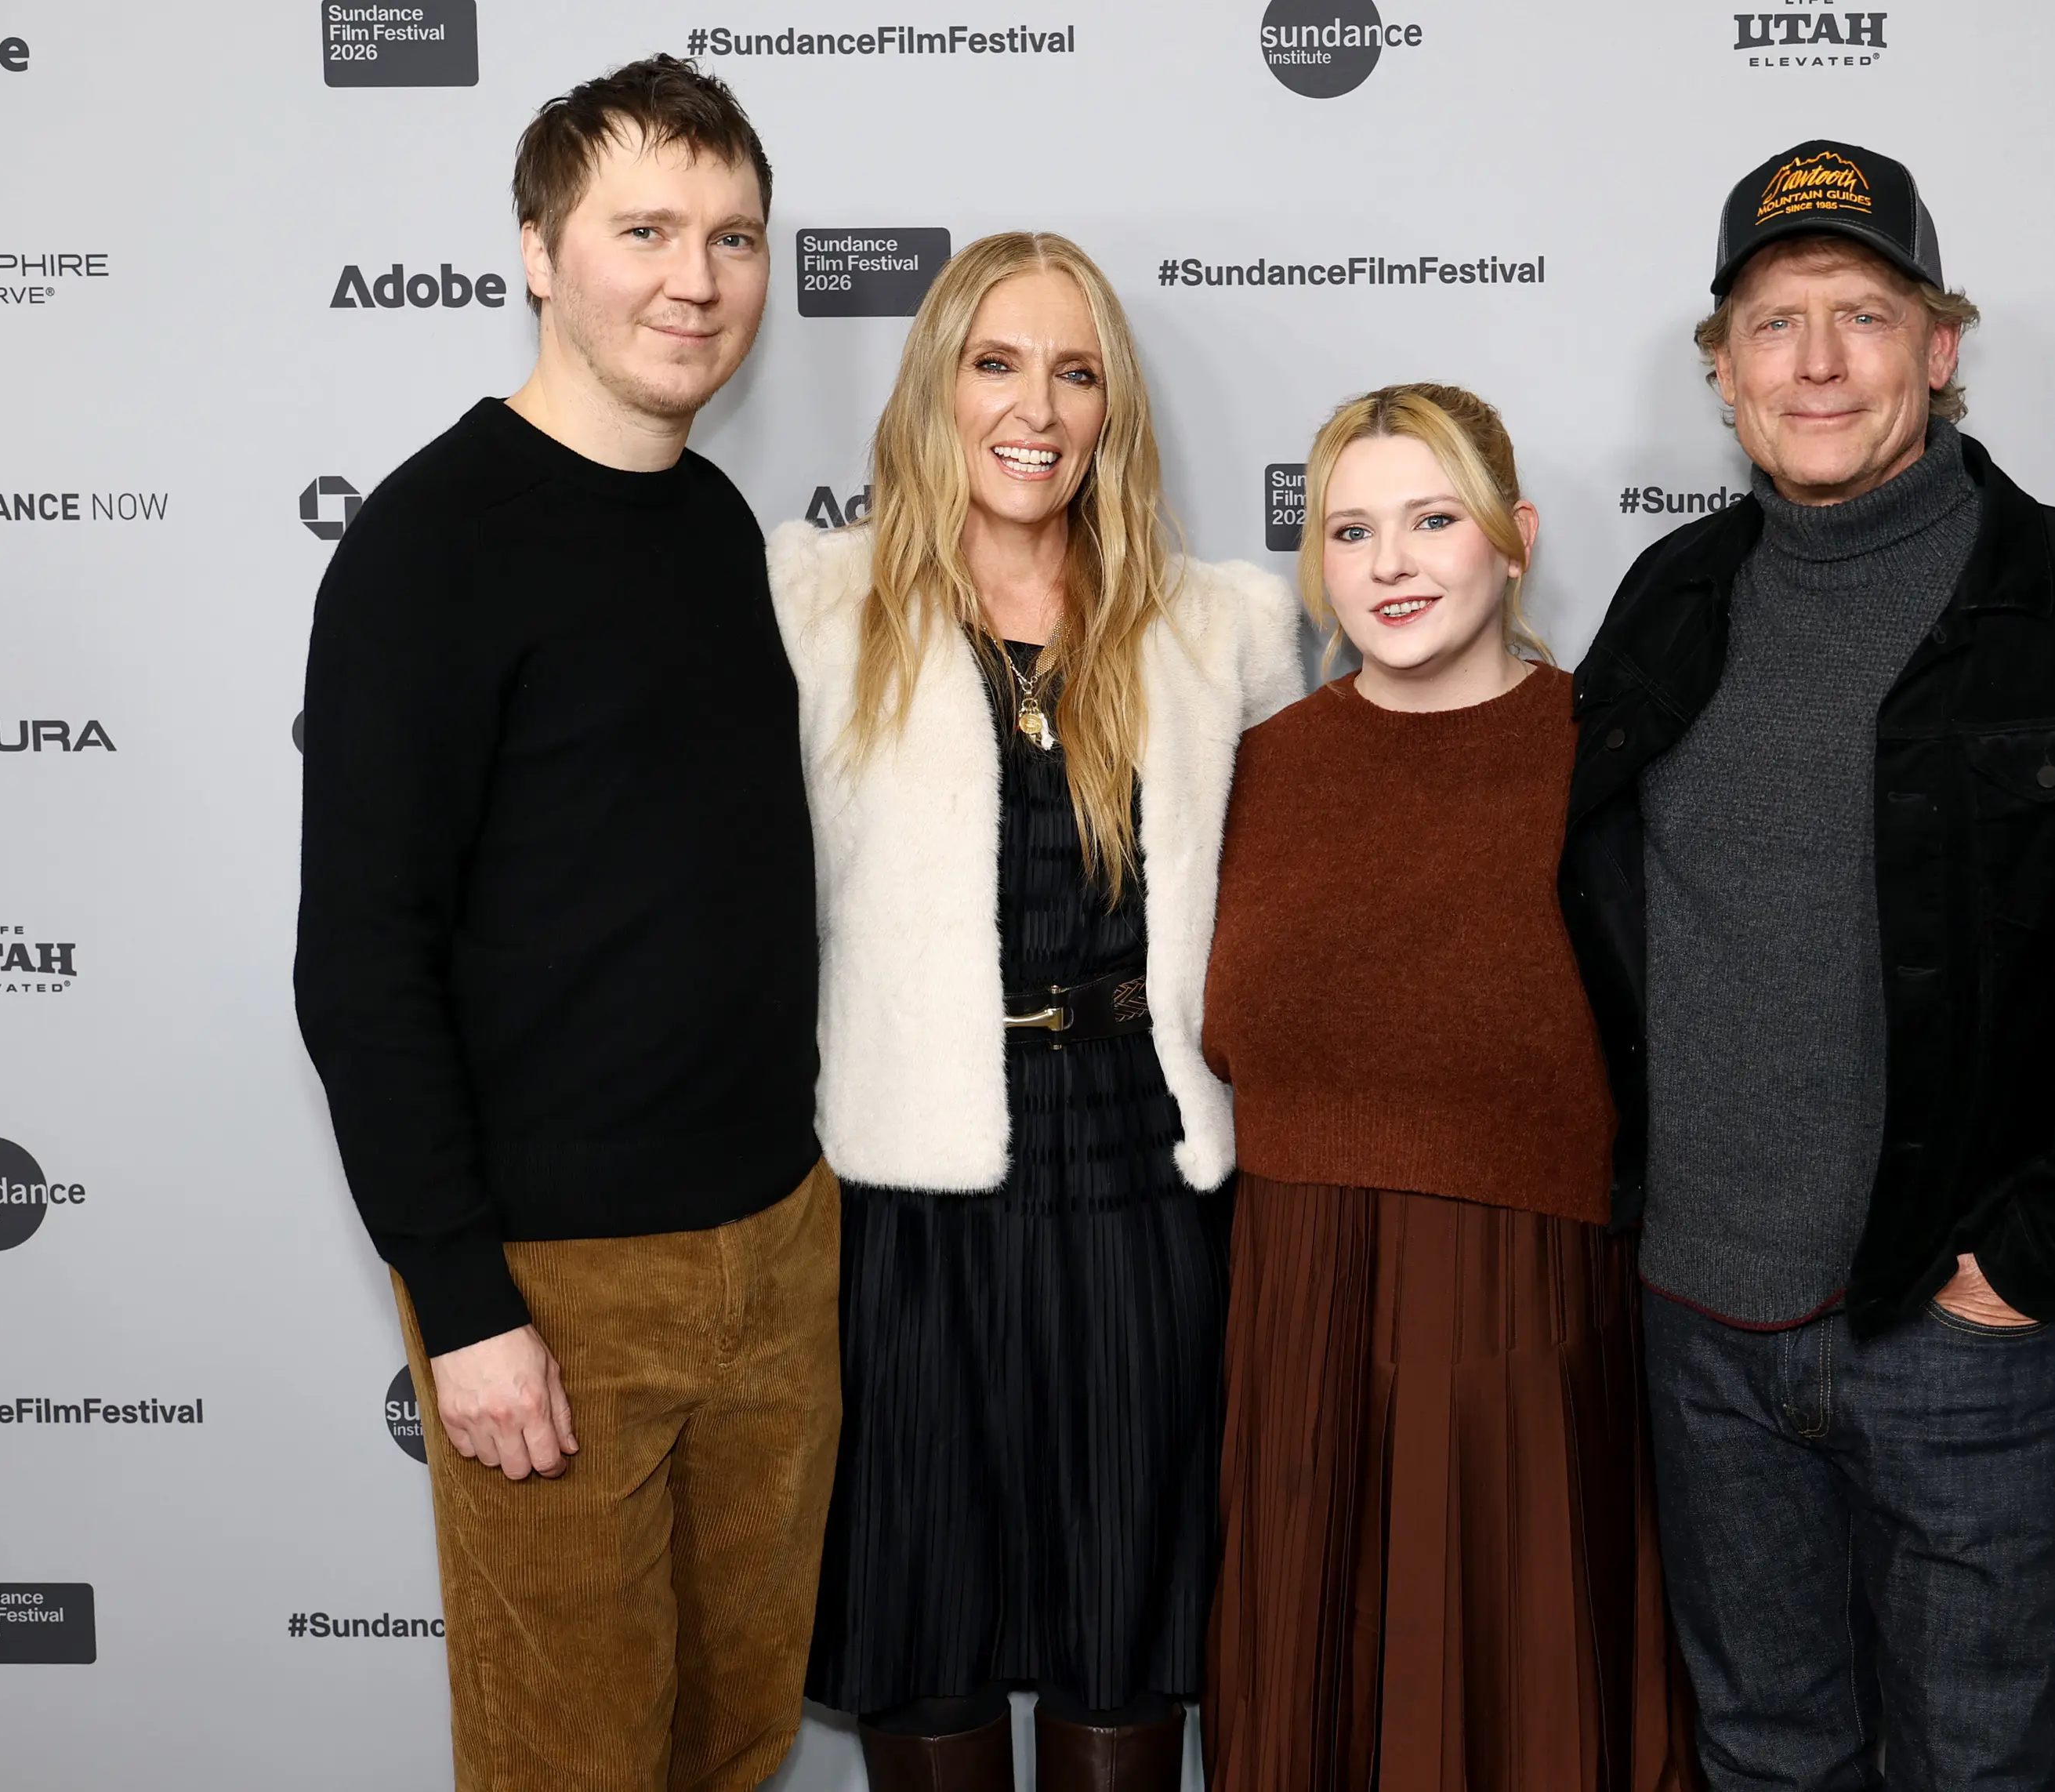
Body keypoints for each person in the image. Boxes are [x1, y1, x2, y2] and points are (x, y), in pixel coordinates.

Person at [1561, 139, 2055, 1790]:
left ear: (1941, 349)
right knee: (1763, 1760)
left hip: (1966, 1338)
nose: (1817, 362)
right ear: (1723, 370)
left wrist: (2032, 1255)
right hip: (1703, 1336)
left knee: (1980, 1768)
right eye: (1773, 323)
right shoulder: (1670, 602)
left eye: (1864, 315)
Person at [295, 57, 837, 1792]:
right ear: (538, 251)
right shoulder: (428, 544)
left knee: (735, 1741)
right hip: (558, 1288)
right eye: (647, 230)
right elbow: (359, 960)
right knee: (572, 1768)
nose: (698, 277)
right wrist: (464, 1307)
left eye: (735, 236)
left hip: (777, 1245)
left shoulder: (710, 517)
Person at [766, 230, 1303, 1790]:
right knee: (921, 1632)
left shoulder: (1226, 629)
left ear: (1113, 407)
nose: (1038, 407)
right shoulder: (814, 607)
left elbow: (1310, 909)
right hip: (906, 1202)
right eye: (998, 362)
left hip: (1144, 1183)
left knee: (1127, 1630)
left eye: (1077, 371)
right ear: (938, 386)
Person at [1201, 384, 1701, 1792]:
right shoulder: (1252, 769)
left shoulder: (1607, 759)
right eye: (1351, 531)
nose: (1392, 564)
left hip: (1528, 1315)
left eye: (1433, 519)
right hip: (1294, 1313)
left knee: (1517, 1710)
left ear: (1515, 537)